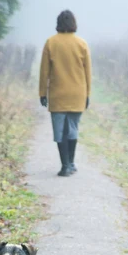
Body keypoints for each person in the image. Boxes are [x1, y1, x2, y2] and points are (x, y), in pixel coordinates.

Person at [39, 10, 91, 177]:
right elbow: (87, 72)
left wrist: (42, 93)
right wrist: (87, 94)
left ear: (58, 23)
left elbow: (44, 71)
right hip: (78, 93)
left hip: (57, 94)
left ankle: (65, 166)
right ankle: (71, 163)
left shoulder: (51, 43)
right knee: (73, 129)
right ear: (74, 23)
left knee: (60, 131)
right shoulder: (82, 44)